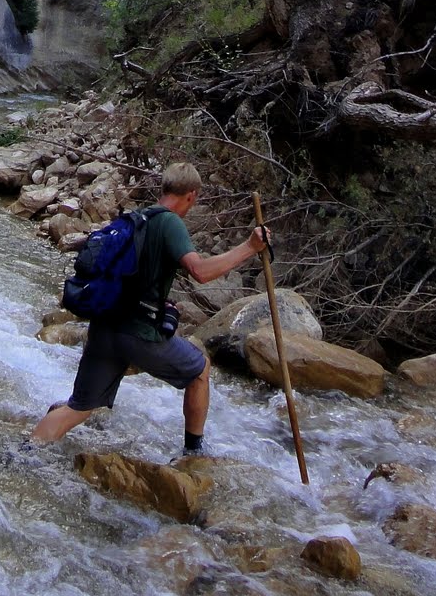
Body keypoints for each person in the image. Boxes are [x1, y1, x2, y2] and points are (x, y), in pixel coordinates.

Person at [30, 161, 269, 458]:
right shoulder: (169, 222)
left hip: (104, 326)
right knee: (200, 371)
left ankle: (23, 453)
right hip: (137, 332)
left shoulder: (137, 218)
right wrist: (249, 247)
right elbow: (200, 272)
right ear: (191, 195)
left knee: (78, 408)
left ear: (164, 187)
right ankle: (193, 453)